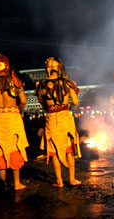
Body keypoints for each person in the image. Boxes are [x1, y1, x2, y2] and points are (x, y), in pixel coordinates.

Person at [35, 57, 81, 187]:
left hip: (51, 118)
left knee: (53, 150)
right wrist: (69, 107)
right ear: (60, 68)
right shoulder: (68, 83)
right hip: (65, 117)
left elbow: (42, 104)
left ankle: (59, 181)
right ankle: (72, 179)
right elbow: (75, 102)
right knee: (68, 150)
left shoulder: (42, 84)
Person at [0, 53, 29, 190]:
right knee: (14, 148)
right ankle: (16, 184)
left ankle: (2, 183)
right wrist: (20, 111)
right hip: (12, 117)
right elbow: (22, 101)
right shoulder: (14, 81)